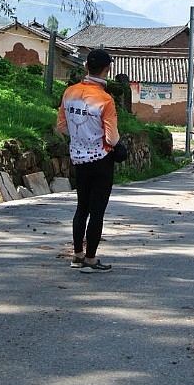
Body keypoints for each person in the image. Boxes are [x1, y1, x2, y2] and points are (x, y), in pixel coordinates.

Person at [55, 48, 119, 273]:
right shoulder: (106, 99)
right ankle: (91, 259)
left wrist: (79, 136)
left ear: (85, 67)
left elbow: (61, 126)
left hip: (78, 159)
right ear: (107, 69)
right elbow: (111, 138)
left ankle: (77, 255)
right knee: (97, 211)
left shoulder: (69, 92)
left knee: (81, 208)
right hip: (101, 160)